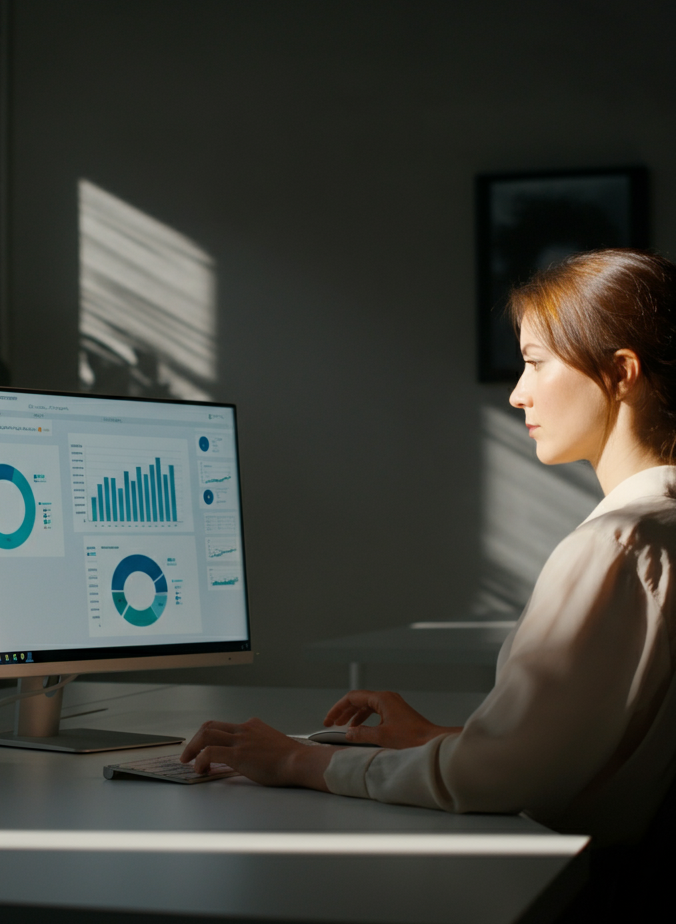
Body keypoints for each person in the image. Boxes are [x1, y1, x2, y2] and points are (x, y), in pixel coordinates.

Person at [181, 248, 676, 846]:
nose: (519, 394)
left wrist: (298, 762)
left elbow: (498, 785)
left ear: (622, 372)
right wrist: (447, 740)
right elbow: (590, 749)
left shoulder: (616, 546)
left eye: (536, 363)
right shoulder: (658, 530)